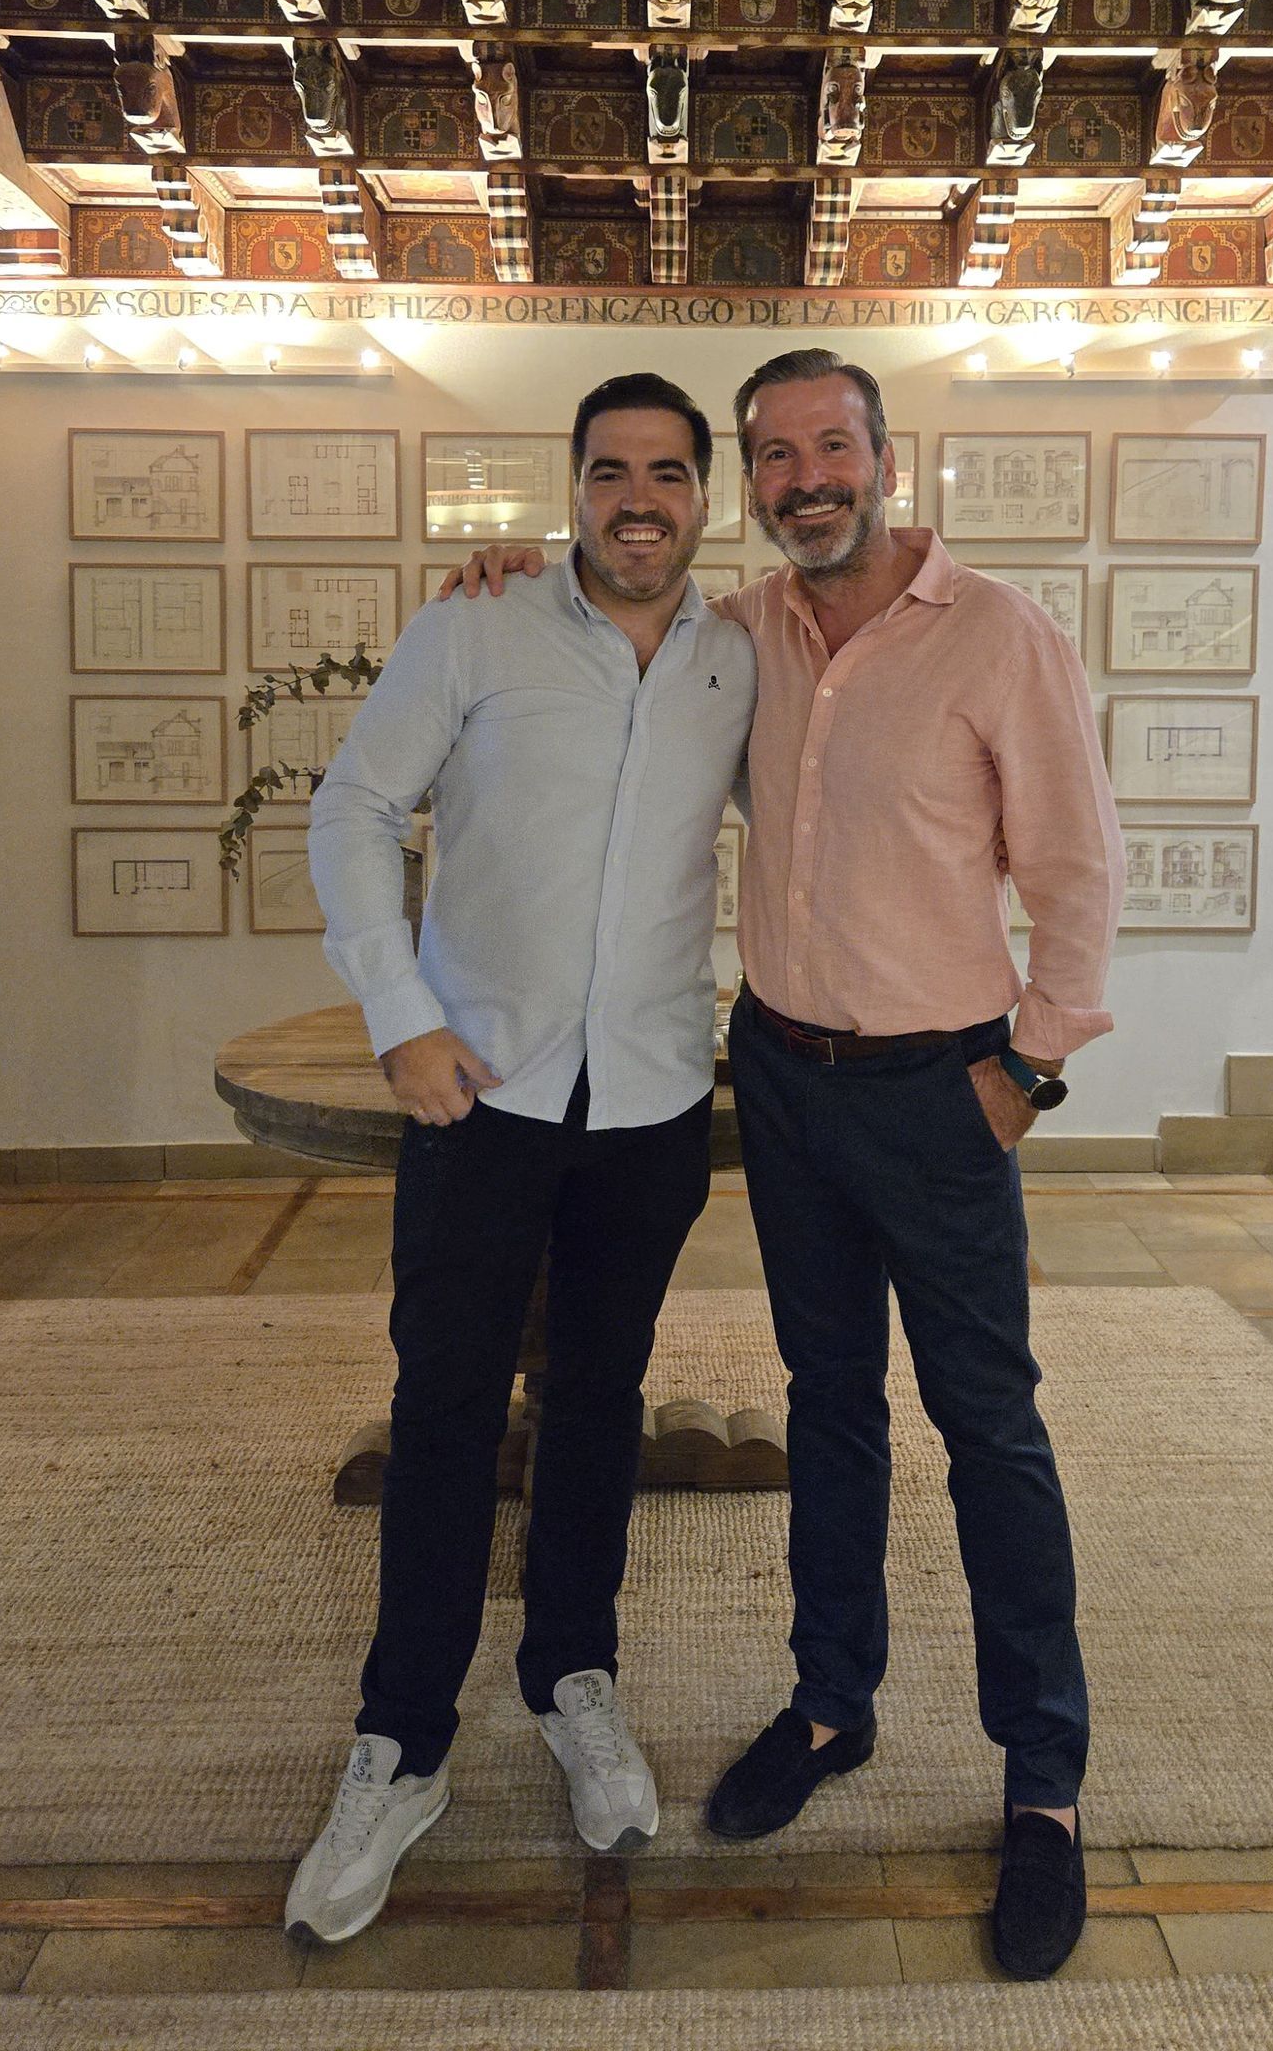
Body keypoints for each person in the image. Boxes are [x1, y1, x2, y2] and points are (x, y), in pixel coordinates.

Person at [445, 347, 1122, 1979]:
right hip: (787, 1084)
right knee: (830, 1407)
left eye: (833, 446)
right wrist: (515, 569)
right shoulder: (740, 632)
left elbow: (1079, 870)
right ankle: (832, 1705)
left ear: (887, 456)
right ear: (751, 479)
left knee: (988, 1430)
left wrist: (1026, 1069)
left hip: (941, 1094)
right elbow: (611, 581)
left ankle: (1044, 1789)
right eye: (775, 455)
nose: (807, 476)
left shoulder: (1000, 636)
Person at [288, 372, 755, 1944]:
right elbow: (354, 807)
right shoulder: (474, 626)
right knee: (441, 1414)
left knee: (602, 1405)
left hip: (646, 1105)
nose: (642, 498)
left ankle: (572, 1678)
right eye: (612, 470)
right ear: (572, 491)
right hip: (475, 1098)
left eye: (670, 473)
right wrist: (399, 1011)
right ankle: (402, 1742)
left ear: (709, 496)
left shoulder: (742, 658)